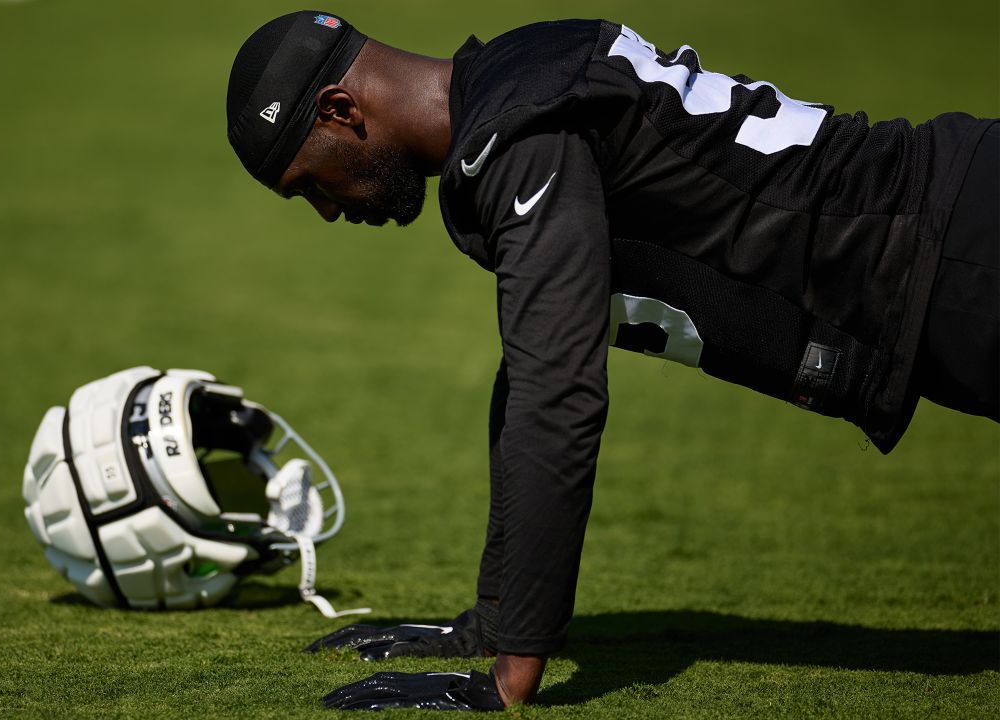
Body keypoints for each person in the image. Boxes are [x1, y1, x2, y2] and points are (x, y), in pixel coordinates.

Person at [225, 10, 998, 711]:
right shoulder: (521, 62)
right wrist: (490, 624)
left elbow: (556, 391)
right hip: (945, 230)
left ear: (339, 108)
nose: (329, 209)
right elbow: (531, 368)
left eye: (310, 184)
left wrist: (512, 674)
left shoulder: (515, 138)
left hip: (954, 259)